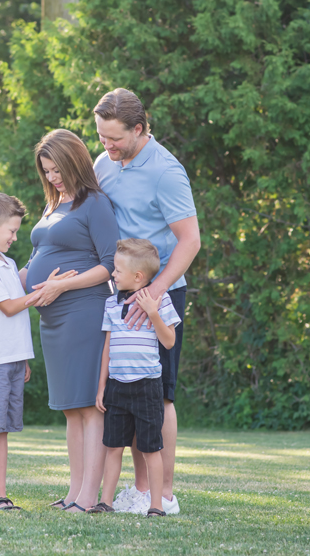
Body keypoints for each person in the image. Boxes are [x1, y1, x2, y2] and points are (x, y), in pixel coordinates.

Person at [93, 88, 201, 516]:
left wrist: (153, 294)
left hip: (161, 293)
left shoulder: (166, 172)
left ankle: (165, 495)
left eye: (114, 138)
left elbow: (190, 241)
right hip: (121, 293)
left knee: (160, 396)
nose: (106, 146)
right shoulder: (105, 164)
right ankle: (139, 491)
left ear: (139, 129)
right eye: (101, 137)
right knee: (130, 390)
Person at [20, 129, 119, 513]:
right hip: (52, 319)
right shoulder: (53, 205)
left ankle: (88, 497)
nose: (52, 177)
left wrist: (62, 287)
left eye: (57, 169)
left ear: (74, 161)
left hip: (84, 312)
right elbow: (36, 259)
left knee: (88, 406)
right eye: (46, 171)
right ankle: (74, 491)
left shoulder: (94, 203)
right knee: (70, 409)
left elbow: (109, 266)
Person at [0, 192, 73, 511]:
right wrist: (41, 292)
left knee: (4, 429)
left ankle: (2, 492)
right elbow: (11, 307)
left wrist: (24, 356)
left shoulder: (8, 263)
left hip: (12, 359)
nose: (15, 237)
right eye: (11, 231)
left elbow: (19, 304)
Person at [90, 239, 180, 517]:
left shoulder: (160, 300)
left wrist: (153, 314)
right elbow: (107, 347)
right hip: (117, 386)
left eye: (117, 270)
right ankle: (106, 501)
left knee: (150, 448)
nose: (113, 274)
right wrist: (102, 386)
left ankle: (155, 505)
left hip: (147, 387)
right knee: (113, 446)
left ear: (138, 276)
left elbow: (169, 341)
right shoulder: (110, 304)